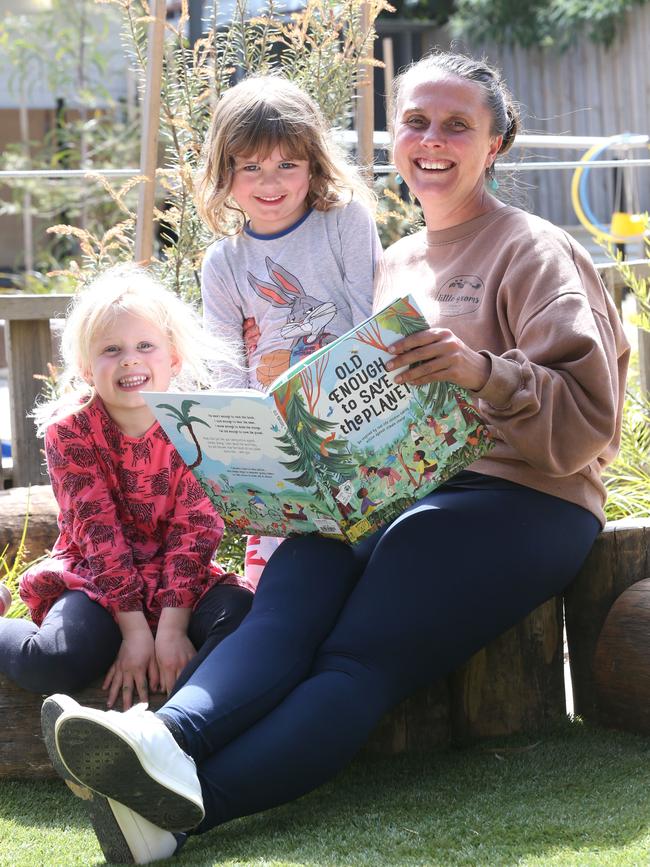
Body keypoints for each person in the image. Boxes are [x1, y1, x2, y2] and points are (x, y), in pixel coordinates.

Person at [43, 50, 630, 865]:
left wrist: (478, 369)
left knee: (353, 658)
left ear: (496, 143)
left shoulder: (534, 251)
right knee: (303, 568)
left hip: (523, 501)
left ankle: (183, 811)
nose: (431, 139)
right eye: (415, 121)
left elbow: (592, 422)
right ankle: (160, 738)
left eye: (457, 124)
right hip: (396, 495)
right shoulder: (395, 260)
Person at [0, 266, 254, 707]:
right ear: (85, 367)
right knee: (54, 661)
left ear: (172, 358)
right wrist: (136, 632)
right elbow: (99, 534)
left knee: (243, 622)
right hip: (98, 581)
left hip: (183, 582)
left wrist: (171, 629)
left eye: (145, 346)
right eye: (111, 349)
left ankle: (184, 716)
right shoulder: (70, 432)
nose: (130, 360)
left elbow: (195, 531)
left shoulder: (201, 426)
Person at [195, 74, 382, 588]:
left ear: (314, 165)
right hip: (281, 455)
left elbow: (371, 320)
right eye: (251, 167)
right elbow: (227, 369)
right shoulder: (224, 263)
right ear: (225, 172)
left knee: (363, 576)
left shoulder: (344, 222)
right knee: (278, 586)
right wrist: (249, 452)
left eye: (287, 165)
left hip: (356, 430)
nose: (269, 183)